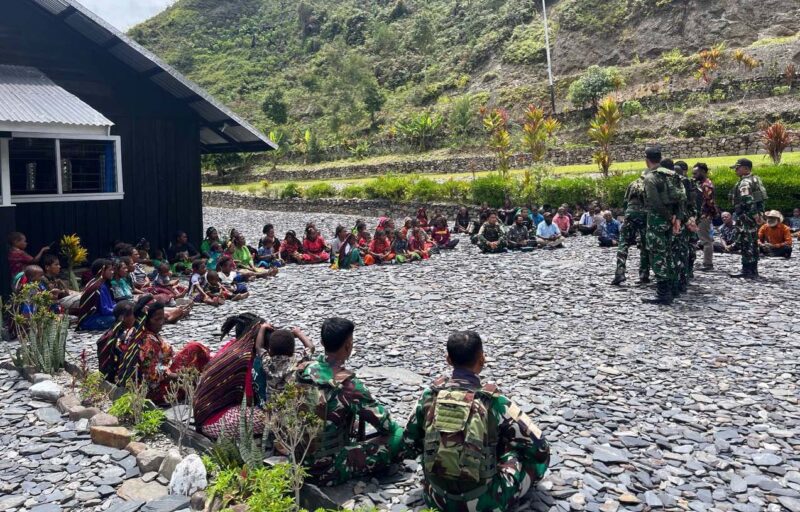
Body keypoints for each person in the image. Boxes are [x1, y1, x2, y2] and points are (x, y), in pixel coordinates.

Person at [403, 331, 550, 511]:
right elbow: (540, 446)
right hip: (485, 502)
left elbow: (409, 442)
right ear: (482, 360)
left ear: (448, 360)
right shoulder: (494, 402)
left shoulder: (430, 395)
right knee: (520, 455)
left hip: (436, 497)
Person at [294, 318, 403, 486]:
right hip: (326, 468)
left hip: (298, 458)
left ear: (322, 342)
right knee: (398, 434)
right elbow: (385, 425)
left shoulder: (304, 370)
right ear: (348, 345)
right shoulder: (348, 385)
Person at [119, 301, 210, 404]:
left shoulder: (135, 332)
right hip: (156, 391)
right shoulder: (147, 341)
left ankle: (207, 374)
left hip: (159, 377)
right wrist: (182, 377)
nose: (161, 322)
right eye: (157, 319)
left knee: (193, 350)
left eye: (162, 318)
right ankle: (210, 375)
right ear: (145, 320)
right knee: (194, 347)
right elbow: (153, 376)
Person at [194, 314, 269, 439]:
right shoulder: (246, 359)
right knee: (274, 420)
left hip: (205, 414)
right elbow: (248, 400)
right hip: (215, 421)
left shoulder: (232, 345)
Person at [641, 147, 685, 304]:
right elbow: (681, 198)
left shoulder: (650, 177)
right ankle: (674, 289)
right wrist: (677, 218)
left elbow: (654, 202)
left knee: (657, 255)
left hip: (657, 221)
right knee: (668, 253)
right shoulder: (672, 175)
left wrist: (668, 218)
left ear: (647, 159)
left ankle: (663, 293)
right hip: (672, 219)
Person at [729, 158, 767, 279]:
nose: (736, 170)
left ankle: (747, 270)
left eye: (738, 167)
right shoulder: (755, 179)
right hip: (754, 215)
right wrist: (758, 215)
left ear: (746, 168)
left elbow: (748, 199)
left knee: (746, 243)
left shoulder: (745, 182)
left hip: (746, 216)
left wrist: (754, 214)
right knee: (753, 242)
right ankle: (753, 269)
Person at [611, 173, 650, 285]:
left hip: (630, 213)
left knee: (623, 242)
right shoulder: (651, 183)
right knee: (644, 244)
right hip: (644, 215)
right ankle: (644, 274)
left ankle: (620, 272)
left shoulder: (633, 183)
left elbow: (625, 201)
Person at [97, 300, 139, 384]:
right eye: (133, 314)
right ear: (123, 318)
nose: (136, 317)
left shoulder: (111, 332)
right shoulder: (122, 337)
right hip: (118, 378)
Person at [77, 259, 116, 331]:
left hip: (101, 316)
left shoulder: (104, 283)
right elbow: (104, 310)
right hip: (91, 320)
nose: (112, 272)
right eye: (110, 270)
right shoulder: (98, 286)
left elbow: (111, 304)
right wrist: (119, 310)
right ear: (101, 271)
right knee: (121, 319)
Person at [692, 163, 718, 271]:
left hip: (704, 215)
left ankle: (708, 264)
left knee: (706, 240)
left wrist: (710, 214)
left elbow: (710, 202)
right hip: (700, 215)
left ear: (703, 172)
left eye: (695, 173)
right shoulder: (701, 184)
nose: (693, 175)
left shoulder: (706, 185)